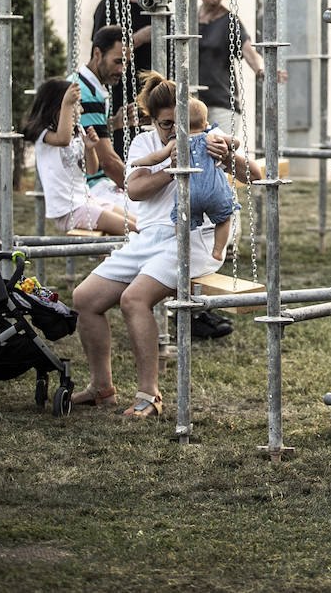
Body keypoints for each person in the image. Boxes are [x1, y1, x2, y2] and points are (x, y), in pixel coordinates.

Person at [71, 72, 260, 418]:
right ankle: (102, 387)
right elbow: (135, 189)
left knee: (134, 299)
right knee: (84, 299)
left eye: (181, 122)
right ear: (153, 121)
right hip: (149, 237)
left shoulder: (209, 134)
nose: (176, 131)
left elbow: (256, 177)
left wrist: (229, 157)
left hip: (195, 239)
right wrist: (170, 167)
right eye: (166, 124)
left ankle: (150, 396)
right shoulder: (144, 144)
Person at [22, 78, 137, 236]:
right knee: (134, 231)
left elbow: (91, 170)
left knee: (139, 223)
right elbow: (63, 140)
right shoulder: (45, 134)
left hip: (88, 201)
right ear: (59, 108)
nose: (81, 110)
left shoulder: (78, 131)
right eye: (77, 104)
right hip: (69, 211)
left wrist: (90, 149)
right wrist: (67, 103)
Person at [130, 96, 237, 261]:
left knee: (180, 222)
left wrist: (138, 163)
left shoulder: (177, 141)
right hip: (215, 192)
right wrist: (227, 147)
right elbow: (235, 142)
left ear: (178, 124)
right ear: (206, 123)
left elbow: (156, 158)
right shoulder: (213, 138)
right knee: (224, 218)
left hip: (190, 194)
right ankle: (218, 250)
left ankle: (184, 249)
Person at [197, 0, 266, 135]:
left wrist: (261, 69)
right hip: (192, 102)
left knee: (225, 155)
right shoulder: (188, 19)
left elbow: (248, 51)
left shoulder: (229, 21)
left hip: (221, 102)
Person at [92, 0, 153, 137]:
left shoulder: (157, 6)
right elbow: (99, 52)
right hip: (119, 95)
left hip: (153, 98)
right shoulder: (109, 6)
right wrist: (138, 39)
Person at [71, 26, 134, 192]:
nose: (122, 70)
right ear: (97, 54)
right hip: (89, 186)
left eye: (126, 63)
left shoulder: (82, 82)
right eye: (118, 61)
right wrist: (138, 190)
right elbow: (108, 161)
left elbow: (82, 133)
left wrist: (113, 123)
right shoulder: (87, 94)